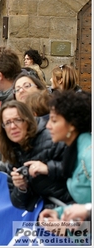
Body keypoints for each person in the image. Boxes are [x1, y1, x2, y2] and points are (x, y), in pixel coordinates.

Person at [0, 100, 71, 211]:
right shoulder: (11, 153)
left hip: (78, 208)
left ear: (27, 120)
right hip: (50, 215)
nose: (13, 126)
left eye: (17, 120)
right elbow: (18, 204)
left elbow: (82, 171)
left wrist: (48, 168)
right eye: (7, 123)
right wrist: (22, 188)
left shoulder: (51, 138)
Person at [38, 90, 91, 228]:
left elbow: (86, 208)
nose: (47, 125)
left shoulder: (89, 154)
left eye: (54, 120)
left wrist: (87, 210)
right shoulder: (73, 150)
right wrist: (60, 213)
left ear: (72, 124)